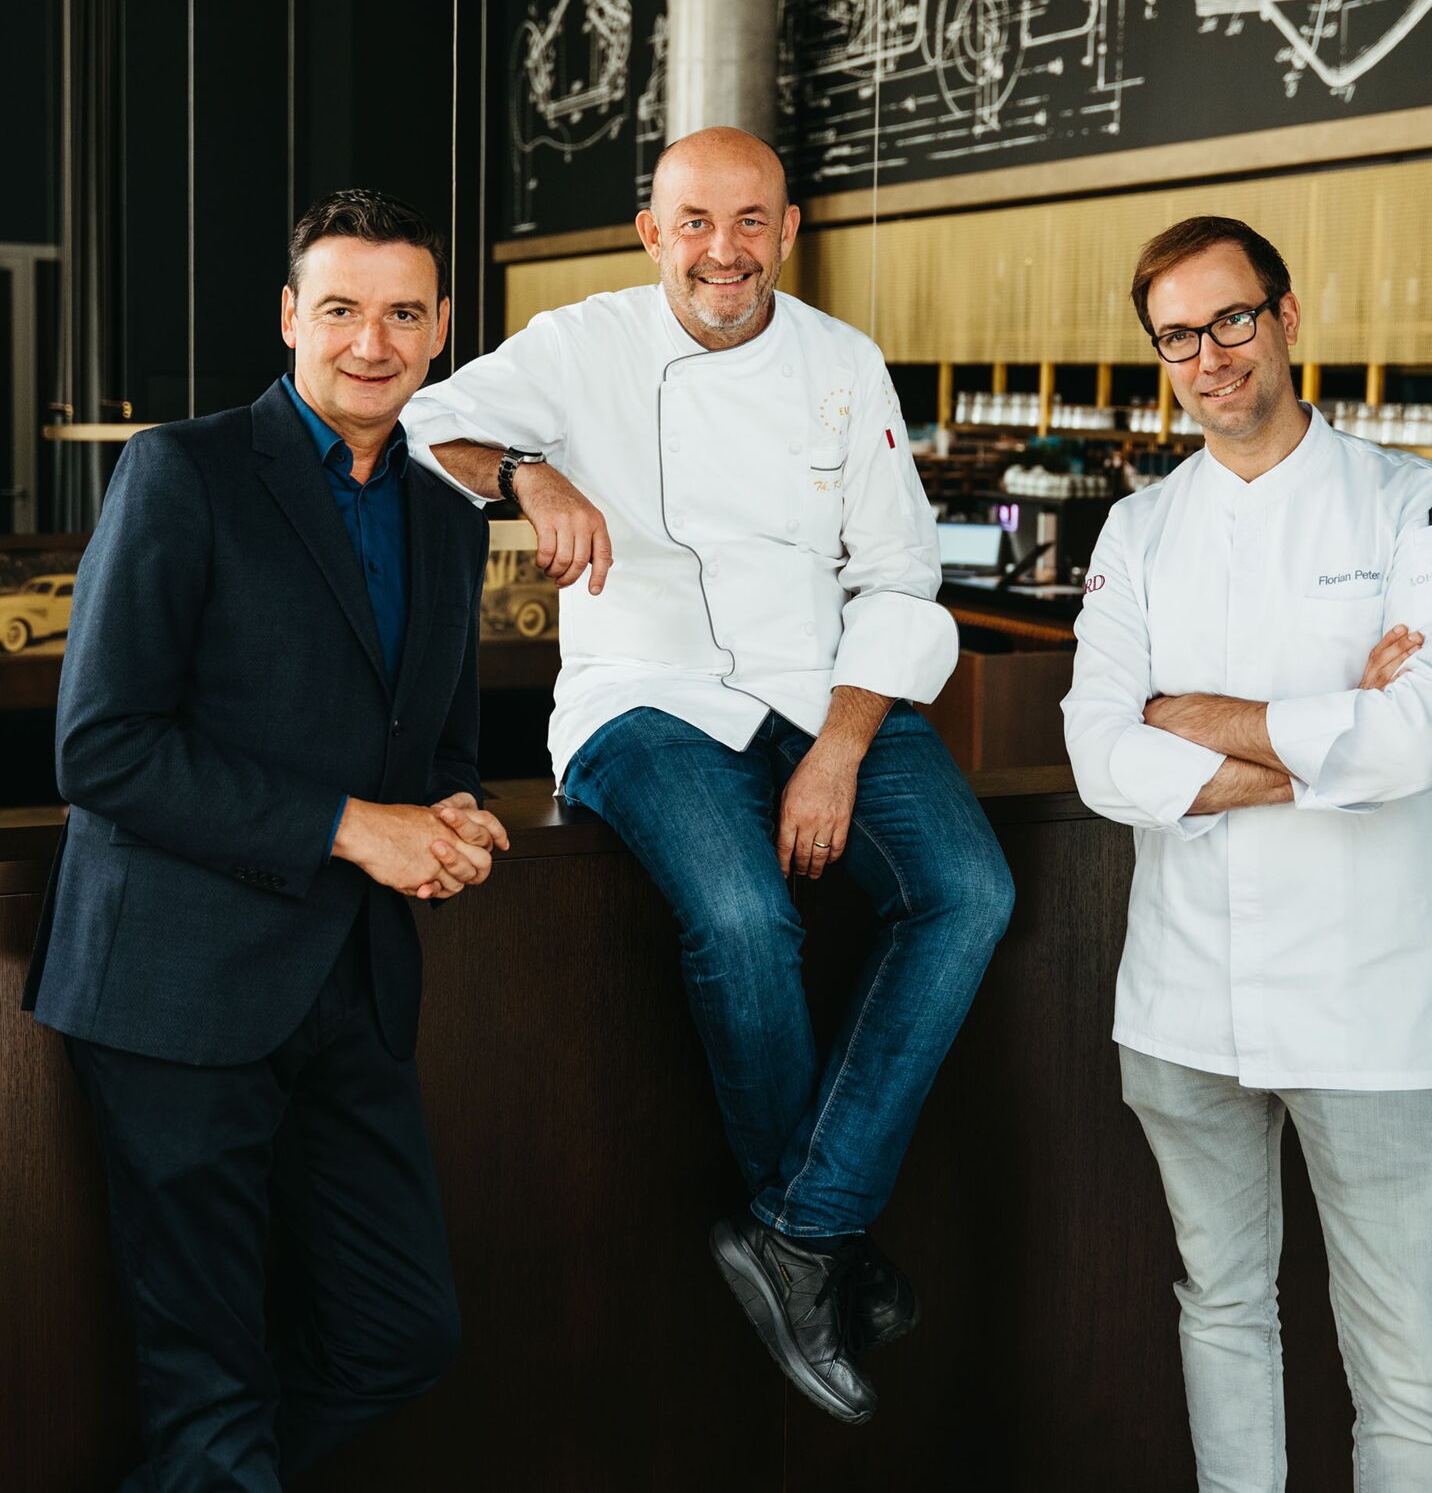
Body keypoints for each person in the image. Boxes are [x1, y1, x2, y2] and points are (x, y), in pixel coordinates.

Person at [401, 126, 1013, 1425]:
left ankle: (799, 1227)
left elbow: (901, 572)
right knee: (743, 915)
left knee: (969, 887)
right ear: (651, 231)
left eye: (749, 222)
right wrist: (530, 470)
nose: (722, 251)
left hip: (819, 682)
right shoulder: (582, 343)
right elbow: (424, 422)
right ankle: (828, 1238)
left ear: (788, 231)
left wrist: (841, 745)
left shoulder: (843, 364)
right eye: (695, 222)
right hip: (645, 694)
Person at [24, 190, 507, 1491]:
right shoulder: (180, 469)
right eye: (341, 307)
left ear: (442, 327)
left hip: (348, 992)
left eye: (405, 310)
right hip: (172, 992)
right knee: (212, 1392)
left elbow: (437, 746)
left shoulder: (449, 519)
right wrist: (360, 827)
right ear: (292, 316)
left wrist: (450, 814)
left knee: (404, 1331)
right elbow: (104, 747)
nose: (373, 337)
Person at [1062, 215, 1432, 1491]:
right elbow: (1100, 760)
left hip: (1367, 1006)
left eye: (1231, 319)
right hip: (1184, 1007)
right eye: (1178, 335)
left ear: (1286, 318)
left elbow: (1413, 742)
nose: (1210, 355)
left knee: (1406, 1363)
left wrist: (1192, 721)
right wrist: (1321, 748)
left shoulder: (1412, 498)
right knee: (1222, 1311)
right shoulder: (1137, 530)